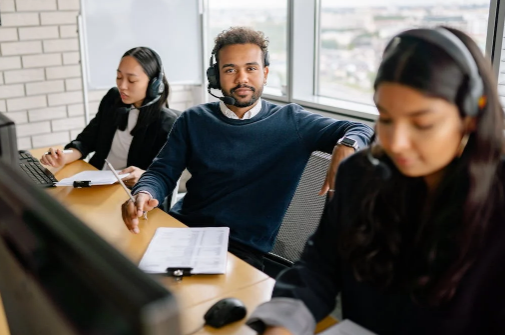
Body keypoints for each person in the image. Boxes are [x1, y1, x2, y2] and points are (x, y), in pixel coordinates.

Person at [247, 26, 505, 335]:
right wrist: (281, 325)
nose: (395, 143)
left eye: (422, 123)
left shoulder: (498, 203)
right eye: (386, 118)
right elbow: (318, 268)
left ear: (471, 116)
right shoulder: (362, 175)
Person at [122, 27, 373, 270]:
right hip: (184, 229)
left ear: (264, 73)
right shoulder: (193, 119)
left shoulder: (292, 122)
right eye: (230, 69)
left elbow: (362, 129)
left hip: (241, 249)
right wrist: (143, 191)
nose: (242, 78)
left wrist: (346, 145)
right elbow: (162, 172)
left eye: (251, 68)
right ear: (216, 76)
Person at [40, 47, 180, 187]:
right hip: (96, 180)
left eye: (131, 80)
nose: (122, 86)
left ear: (154, 85)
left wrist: (144, 176)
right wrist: (64, 156)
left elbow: (166, 173)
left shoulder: (166, 123)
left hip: (129, 192)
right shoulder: (113, 99)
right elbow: (86, 140)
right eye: (119, 77)